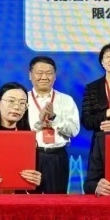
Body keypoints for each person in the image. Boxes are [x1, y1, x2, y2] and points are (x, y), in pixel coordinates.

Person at [25, 56, 80, 194]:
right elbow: (17, 130)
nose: (44, 77)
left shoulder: (66, 100)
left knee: (57, 200)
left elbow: (74, 131)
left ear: (55, 76)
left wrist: (54, 118)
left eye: (49, 73)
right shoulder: (22, 99)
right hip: (29, 156)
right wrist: (39, 123)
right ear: (30, 75)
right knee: (28, 200)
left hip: (57, 156)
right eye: (39, 73)